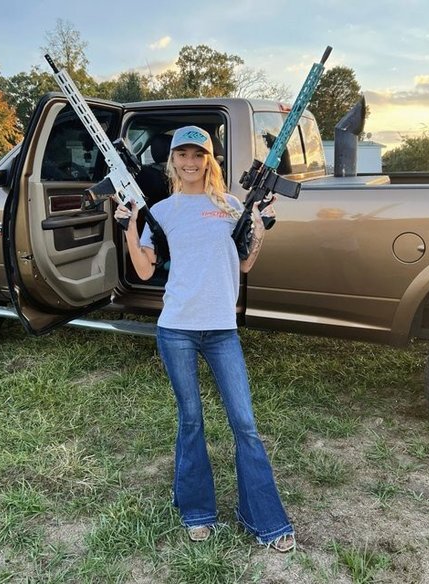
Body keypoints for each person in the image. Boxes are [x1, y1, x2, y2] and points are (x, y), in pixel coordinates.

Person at [114, 125, 295, 553]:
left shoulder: (230, 206)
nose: (190, 162)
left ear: (209, 160)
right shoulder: (162, 212)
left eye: (198, 155)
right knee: (191, 419)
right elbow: (144, 269)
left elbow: (245, 263)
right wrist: (129, 227)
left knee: (245, 423)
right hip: (176, 328)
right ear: (172, 161)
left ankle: (264, 519)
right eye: (183, 155)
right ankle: (197, 511)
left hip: (221, 331)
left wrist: (260, 226)